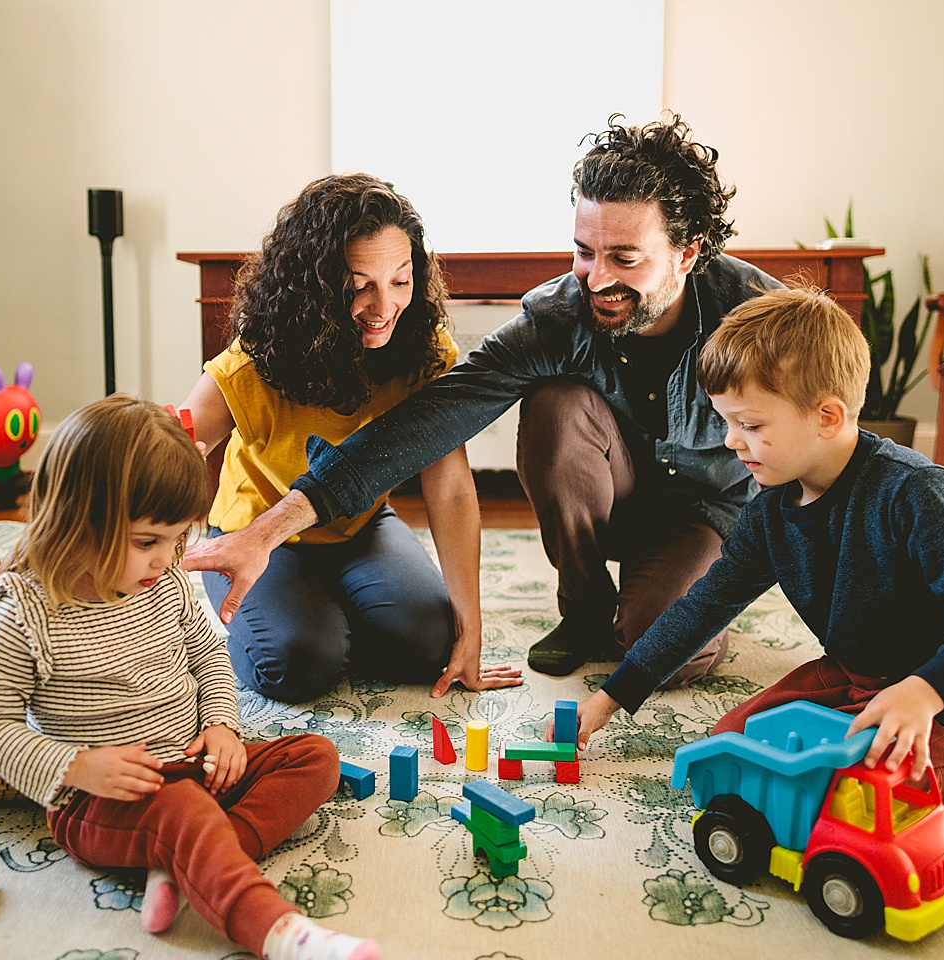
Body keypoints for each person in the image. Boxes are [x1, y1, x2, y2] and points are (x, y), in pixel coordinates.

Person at [184, 114, 779, 684]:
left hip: (700, 516)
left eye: (624, 258)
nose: (596, 279)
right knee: (557, 403)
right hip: (605, 506)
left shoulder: (756, 313)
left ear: (688, 252)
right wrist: (266, 531)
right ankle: (586, 609)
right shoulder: (558, 316)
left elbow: (831, 429)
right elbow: (426, 426)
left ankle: (652, 607)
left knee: (661, 651)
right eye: (584, 251)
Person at [567, 288, 944, 807]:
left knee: (845, 795)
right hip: (853, 673)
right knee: (728, 755)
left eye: (749, 425)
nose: (730, 442)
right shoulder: (770, 510)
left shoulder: (915, 491)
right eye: (727, 422)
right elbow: (704, 607)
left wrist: (927, 691)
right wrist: (610, 696)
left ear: (828, 417)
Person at [0, 396, 378, 960]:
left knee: (315, 757)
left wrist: (224, 728)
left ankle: (182, 866)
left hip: (191, 763)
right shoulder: (26, 612)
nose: (165, 560)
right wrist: (80, 767)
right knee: (183, 810)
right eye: (146, 543)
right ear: (80, 519)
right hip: (103, 799)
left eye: (175, 539)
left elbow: (208, 654)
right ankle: (279, 932)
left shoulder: (165, 580)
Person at [179, 173, 520, 703]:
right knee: (298, 665)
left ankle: (328, 611)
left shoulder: (425, 350)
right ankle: (301, 621)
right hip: (257, 536)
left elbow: (450, 486)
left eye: (400, 281)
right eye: (360, 286)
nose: (383, 306)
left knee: (432, 646)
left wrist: (471, 625)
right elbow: (163, 453)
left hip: (361, 528)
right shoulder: (255, 361)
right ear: (312, 286)